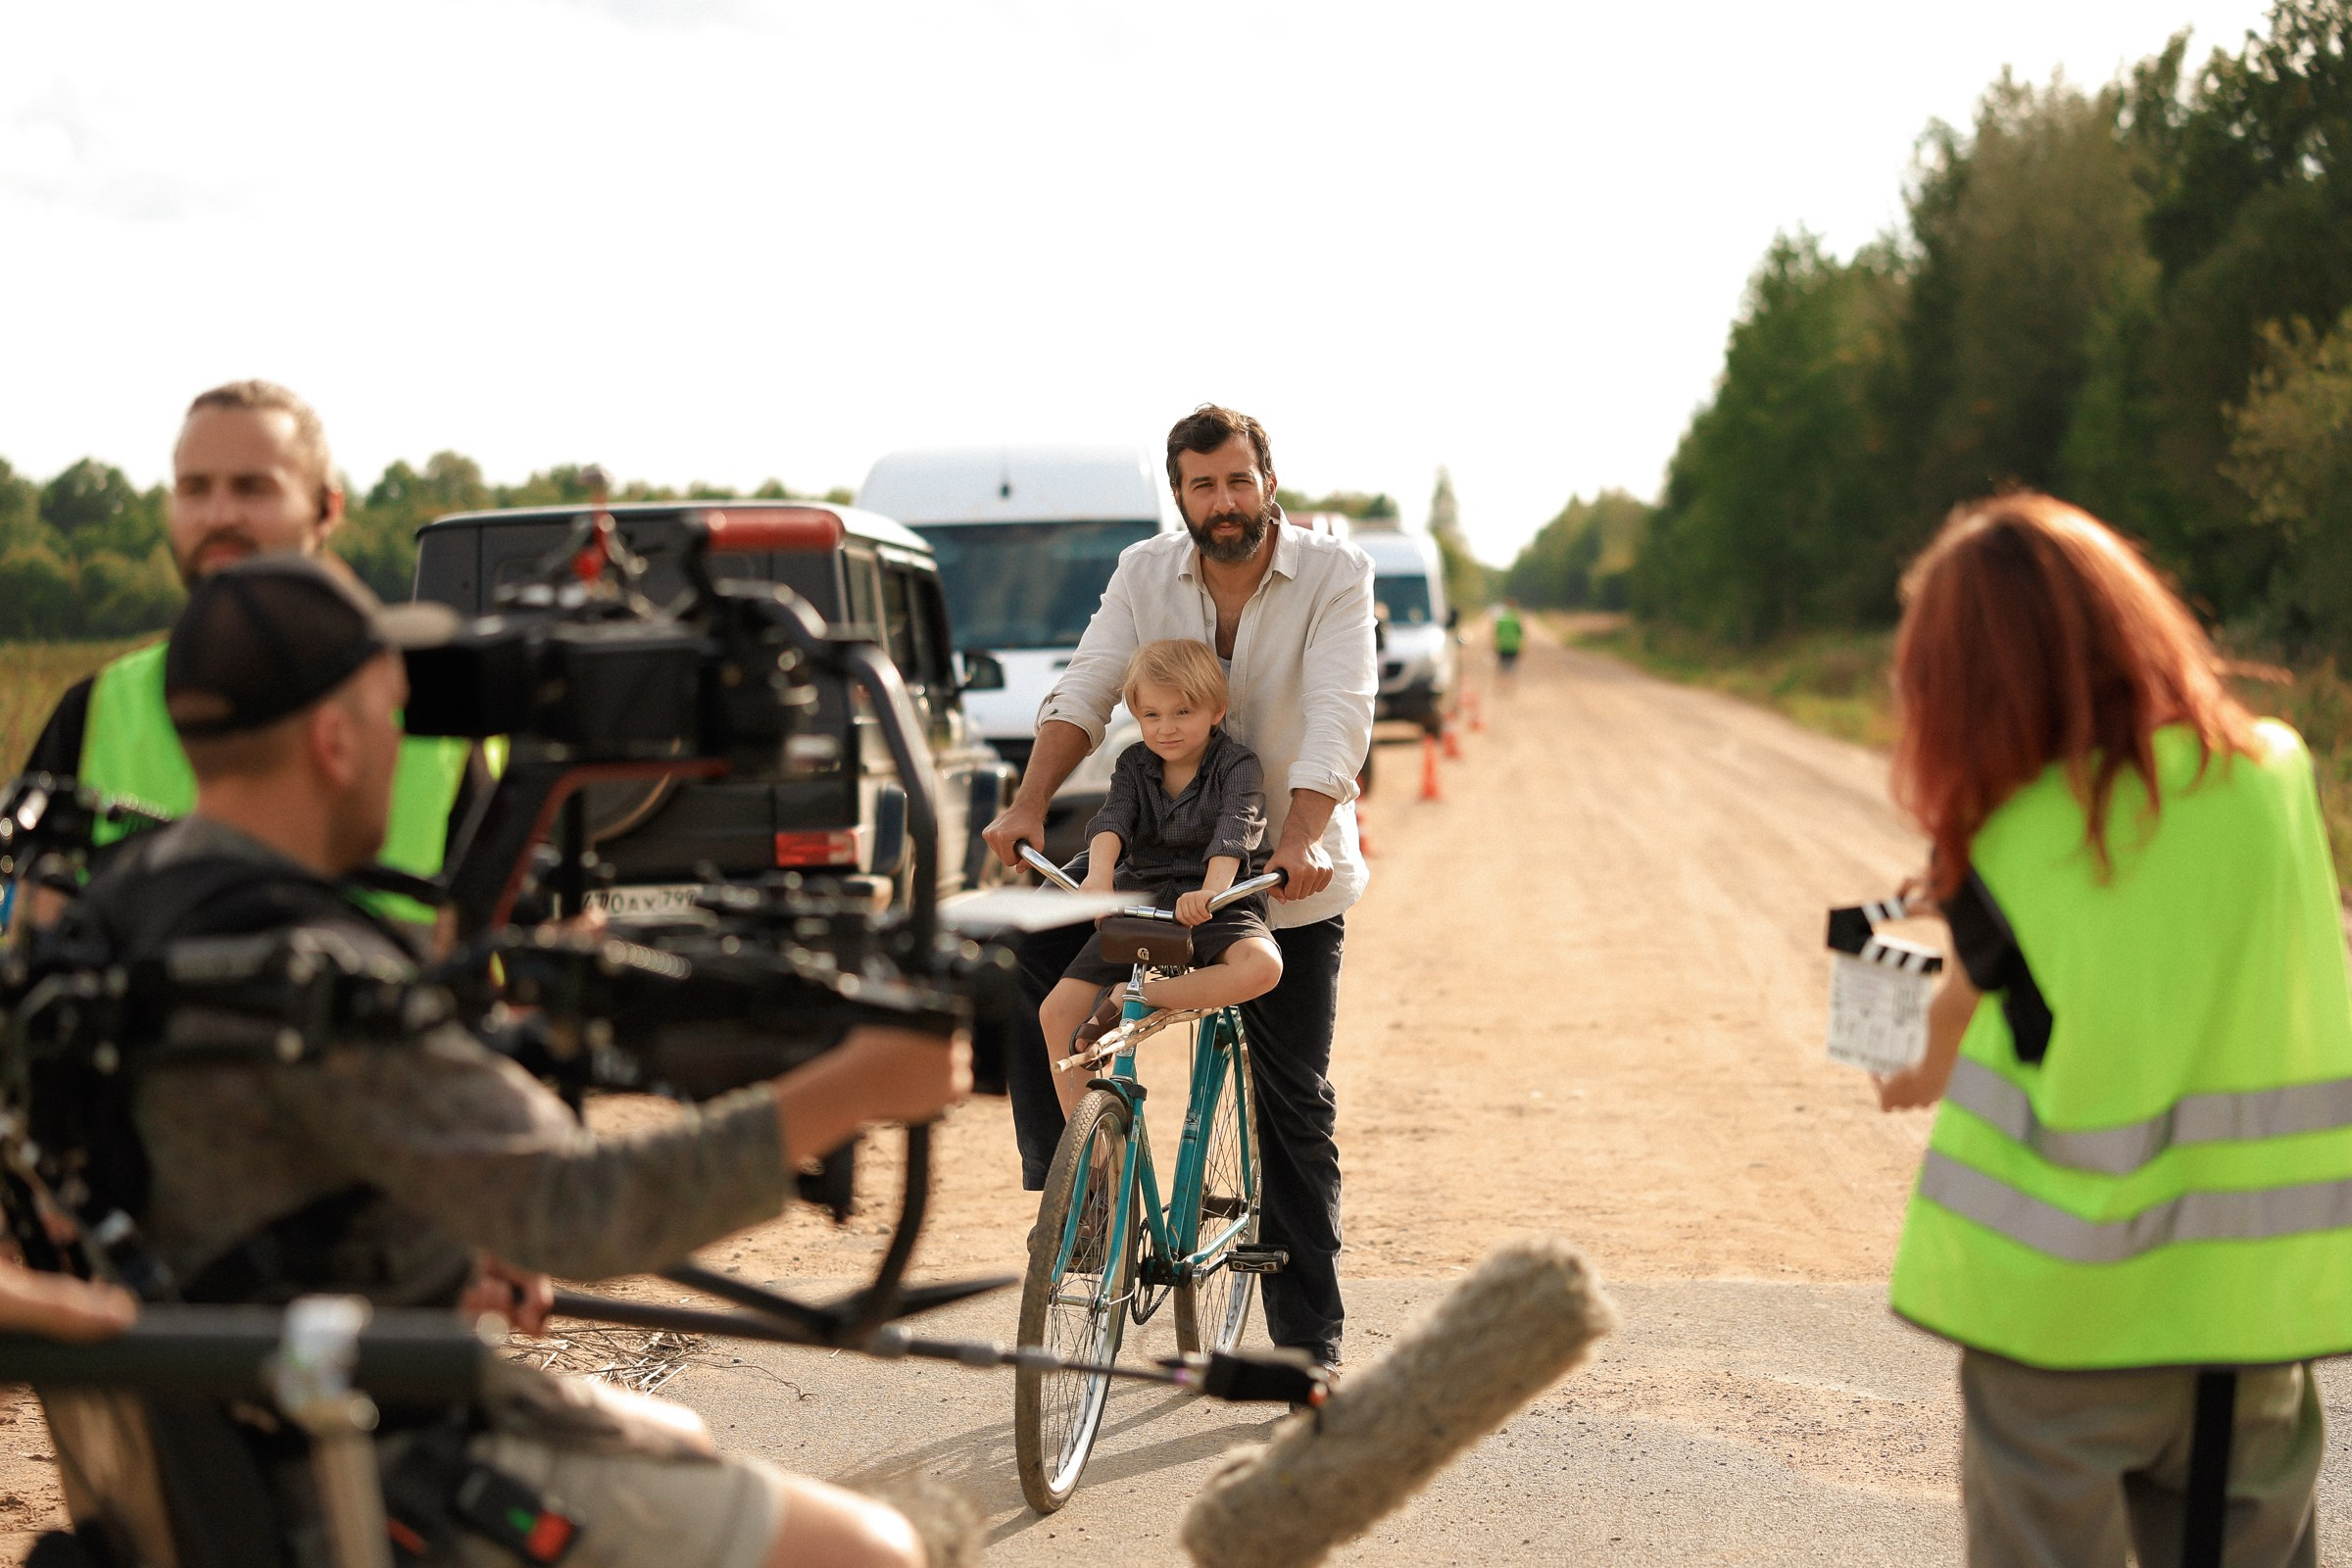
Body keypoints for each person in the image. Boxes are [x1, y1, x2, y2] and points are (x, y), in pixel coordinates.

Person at [38, 555, 967, 1568]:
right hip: (361, 1471)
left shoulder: (113, 929)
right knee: (872, 1550)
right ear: (335, 741)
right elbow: (584, 1208)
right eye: (392, 719)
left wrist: (428, 1257)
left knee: (677, 1433)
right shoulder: (313, 980)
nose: (399, 749)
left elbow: (239, 1186)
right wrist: (858, 1086)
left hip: (218, 1457)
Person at [1873, 493, 2350, 1568]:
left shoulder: (2008, 842)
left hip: (2060, 1339)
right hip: (2248, 1335)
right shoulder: (2277, 781)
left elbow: (1916, 1065)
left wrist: (1888, 1021)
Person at [984, 404, 1376, 1369]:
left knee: (1293, 1100)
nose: (1224, 500)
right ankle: (1081, 1188)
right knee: (1025, 953)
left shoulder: (1335, 573)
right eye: (1204, 485)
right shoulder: (1142, 572)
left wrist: (1299, 838)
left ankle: (1307, 1344)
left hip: (1281, 864)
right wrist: (1029, 803)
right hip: (1151, 863)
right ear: (1180, 495)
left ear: (1269, 483)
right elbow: (1087, 685)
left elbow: (1340, 711)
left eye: (1239, 480)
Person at [19, 380, 472, 929]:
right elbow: (34, 933)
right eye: (194, 489)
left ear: (327, 510)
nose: (219, 516)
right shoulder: (95, 710)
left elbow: (494, 952)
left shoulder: (446, 725)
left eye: (253, 488)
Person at [1038, 639, 1283, 1115]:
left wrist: (1211, 891)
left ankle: (1138, 998)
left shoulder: (1238, 765)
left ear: (1216, 711)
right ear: (1136, 714)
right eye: (1151, 715)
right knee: (1057, 1011)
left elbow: (1235, 831)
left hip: (1214, 904)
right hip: (1144, 901)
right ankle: (1089, 1147)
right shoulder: (1134, 763)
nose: (1166, 728)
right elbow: (1111, 821)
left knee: (1262, 967)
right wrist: (1099, 879)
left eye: (1182, 712)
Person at [1491, 599, 1523, 678]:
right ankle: (1510, 682)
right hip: (1513, 646)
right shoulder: (1516, 619)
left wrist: (1493, 645)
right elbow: (1520, 634)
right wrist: (1521, 647)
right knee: (1512, 667)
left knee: (1502, 667)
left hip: (1502, 645)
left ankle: (1503, 683)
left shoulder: (1501, 619)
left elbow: (1496, 633)